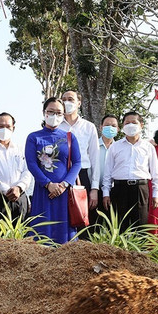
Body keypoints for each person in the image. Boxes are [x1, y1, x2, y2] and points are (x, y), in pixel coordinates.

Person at [25, 97, 82, 244]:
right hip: (43, 192)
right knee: (42, 232)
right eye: (51, 112)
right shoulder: (34, 137)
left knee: (65, 233)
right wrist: (47, 184)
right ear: (44, 113)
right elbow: (31, 164)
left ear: (63, 115)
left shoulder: (69, 137)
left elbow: (77, 162)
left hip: (64, 194)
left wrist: (64, 185)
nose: (54, 116)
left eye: (58, 113)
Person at [101, 111, 158, 231]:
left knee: (140, 227)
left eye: (134, 122)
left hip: (140, 189)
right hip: (120, 190)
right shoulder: (115, 146)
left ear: (141, 125)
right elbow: (107, 172)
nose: (130, 125)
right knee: (119, 227)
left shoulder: (148, 147)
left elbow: (156, 172)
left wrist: (156, 194)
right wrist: (106, 193)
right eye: (127, 123)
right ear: (123, 126)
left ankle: (138, 251)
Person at [0, 112, 32, 232]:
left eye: (8, 126)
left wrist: (19, 187)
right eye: (1, 126)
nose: (4, 129)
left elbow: (27, 171)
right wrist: (5, 189)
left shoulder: (21, 149)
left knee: (22, 239)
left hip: (20, 198)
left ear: (13, 128)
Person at [59, 90, 101, 229]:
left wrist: (94, 188)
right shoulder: (56, 126)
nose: (67, 102)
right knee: (62, 219)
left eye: (70, 99)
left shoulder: (89, 127)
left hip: (81, 176)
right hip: (60, 176)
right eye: (63, 99)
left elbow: (95, 158)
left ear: (79, 103)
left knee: (81, 218)